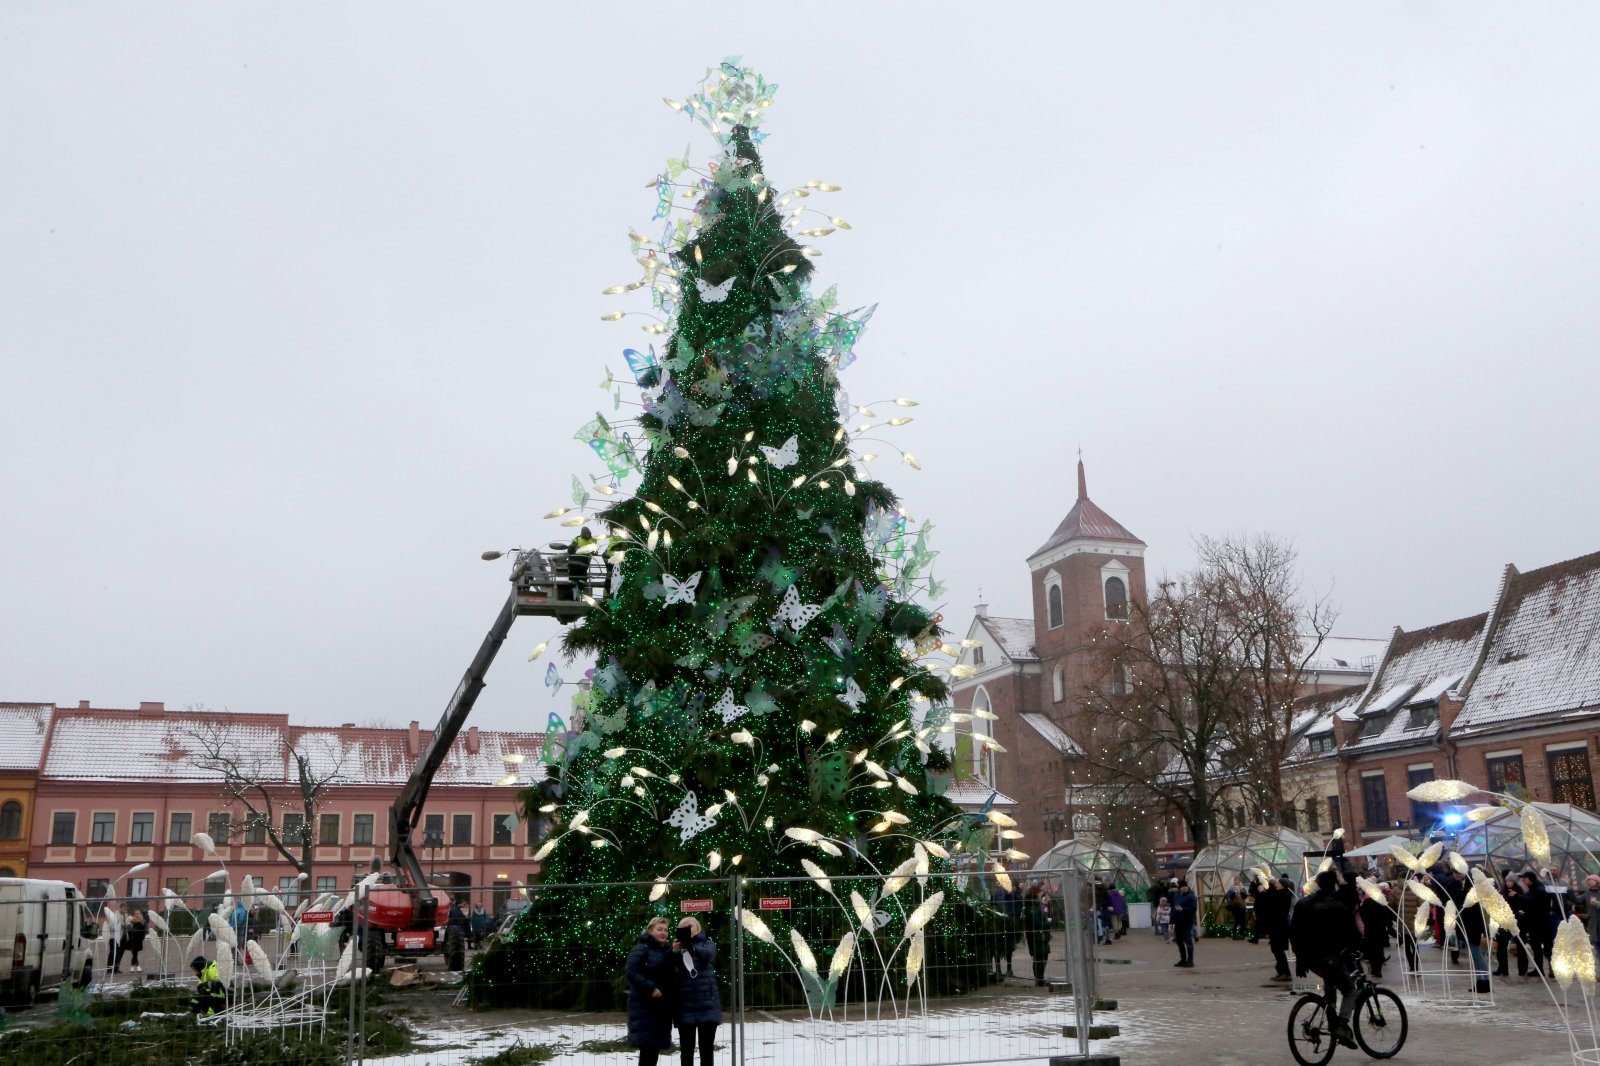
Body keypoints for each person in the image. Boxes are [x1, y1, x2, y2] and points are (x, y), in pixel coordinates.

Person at [1290, 869, 1362, 1049]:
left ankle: (1332, 1023)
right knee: (1349, 990)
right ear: (1334, 885)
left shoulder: (1303, 904)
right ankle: (1341, 1025)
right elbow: (1350, 934)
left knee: (1330, 987)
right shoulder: (1337, 906)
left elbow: (1294, 933)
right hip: (1331, 959)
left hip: (1311, 960)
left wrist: (1300, 958)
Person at [625, 917, 677, 1066]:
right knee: (647, 1050)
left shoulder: (667, 950)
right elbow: (631, 971)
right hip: (644, 1006)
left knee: (653, 1050)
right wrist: (650, 988)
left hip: (660, 1008)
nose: (663, 933)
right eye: (659, 929)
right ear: (650, 930)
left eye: (666, 930)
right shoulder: (641, 948)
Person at [674, 917, 721, 1066]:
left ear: (698, 928)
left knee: (706, 1049)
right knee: (686, 1051)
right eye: (684, 927)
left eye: (691, 925)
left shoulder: (707, 943)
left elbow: (709, 955)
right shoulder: (676, 948)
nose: (688, 928)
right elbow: (667, 966)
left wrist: (692, 948)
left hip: (707, 1004)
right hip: (685, 1005)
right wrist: (675, 951)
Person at [1253, 874, 1293, 982]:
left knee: (1278, 950)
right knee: (1277, 950)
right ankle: (1281, 971)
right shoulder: (1282, 894)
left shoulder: (1283, 895)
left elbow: (1269, 899)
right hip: (1278, 926)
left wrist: (1262, 892)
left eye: (1279, 883)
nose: (1277, 885)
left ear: (1283, 886)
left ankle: (1285, 973)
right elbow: (1270, 897)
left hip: (1279, 927)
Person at [1519, 871, 1554, 977]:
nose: (1523, 881)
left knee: (1546, 947)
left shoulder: (1539, 889)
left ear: (1530, 879)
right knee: (1536, 946)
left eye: (1524, 879)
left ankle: (1551, 970)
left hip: (1541, 923)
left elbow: (1533, 901)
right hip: (1536, 922)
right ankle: (1539, 969)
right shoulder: (1533, 889)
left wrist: (1517, 896)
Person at [1359, 883, 1395, 980]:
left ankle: (1374, 969)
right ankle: (1378, 970)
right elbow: (1388, 915)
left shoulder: (1366, 902)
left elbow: (1362, 915)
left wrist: (1366, 923)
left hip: (1370, 929)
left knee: (1371, 949)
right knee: (1379, 949)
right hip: (1380, 929)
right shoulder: (1382, 901)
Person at [1493, 875, 1525, 977]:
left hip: (1517, 921)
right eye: (1507, 881)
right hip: (1505, 921)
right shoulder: (1503, 892)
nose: (1508, 883)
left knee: (1520, 945)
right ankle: (1502, 968)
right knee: (1501, 946)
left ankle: (1522, 970)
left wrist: (1516, 896)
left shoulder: (1519, 893)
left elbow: (1522, 905)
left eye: (1511, 881)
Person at [1023, 882, 1053, 985]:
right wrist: (1047, 922)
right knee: (1039, 957)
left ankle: (1040, 978)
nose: (1042, 894)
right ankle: (1039, 979)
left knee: (1042, 957)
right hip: (1037, 936)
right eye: (1040, 892)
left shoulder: (1035, 905)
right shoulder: (1032, 907)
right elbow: (1036, 922)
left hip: (1040, 936)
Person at [1170, 878, 1198, 968]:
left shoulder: (1191, 896)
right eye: (1182, 887)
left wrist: (1183, 910)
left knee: (1188, 940)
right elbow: (1173, 909)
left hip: (1187, 921)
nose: (1184, 888)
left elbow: (1193, 908)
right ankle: (1183, 959)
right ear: (1179, 888)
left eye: (1185, 887)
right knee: (1179, 941)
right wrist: (1171, 921)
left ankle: (1190, 961)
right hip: (1178, 921)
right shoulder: (1176, 896)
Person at [566, 527, 596, 601]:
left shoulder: (578, 539)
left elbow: (570, 549)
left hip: (578, 563)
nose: (587, 535)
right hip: (579, 563)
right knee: (577, 580)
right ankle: (575, 594)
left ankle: (575, 594)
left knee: (577, 580)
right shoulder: (579, 539)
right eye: (586, 533)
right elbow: (571, 548)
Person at [126, 910, 148, 974]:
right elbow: (129, 930)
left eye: (138, 913)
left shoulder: (142, 921)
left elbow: (144, 930)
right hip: (133, 940)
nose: (137, 914)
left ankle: (132, 967)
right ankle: (137, 967)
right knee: (135, 953)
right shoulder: (131, 921)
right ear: (134, 914)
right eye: (136, 913)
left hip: (139, 940)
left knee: (135, 954)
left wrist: (142, 937)